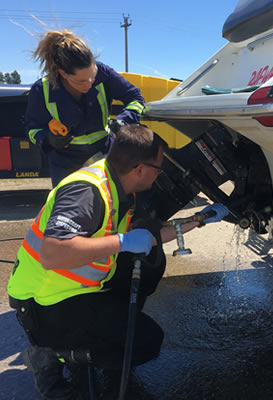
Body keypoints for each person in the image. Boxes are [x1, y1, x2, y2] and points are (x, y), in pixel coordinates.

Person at [8, 124, 229, 400]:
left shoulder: (119, 186)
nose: (160, 174)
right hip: (43, 303)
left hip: (76, 289)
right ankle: (50, 354)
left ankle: (107, 336)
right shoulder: (87, 192)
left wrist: (200, 219)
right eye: (158, 168)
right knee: (145, 342)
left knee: (150, 261)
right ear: (139, 169)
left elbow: (147, 238)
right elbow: (53, 253)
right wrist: (122, 242)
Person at [26, 29, 146, 187]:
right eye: (81, 81)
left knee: (113, 206)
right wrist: (49, 139)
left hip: (105, 156)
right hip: (66, 165)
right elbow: (32, 130)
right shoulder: (42, 90)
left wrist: (124, 120)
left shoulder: (104, 73)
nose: (90, 84)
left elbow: (136, 98)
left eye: (93, 76)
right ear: (63, 73)